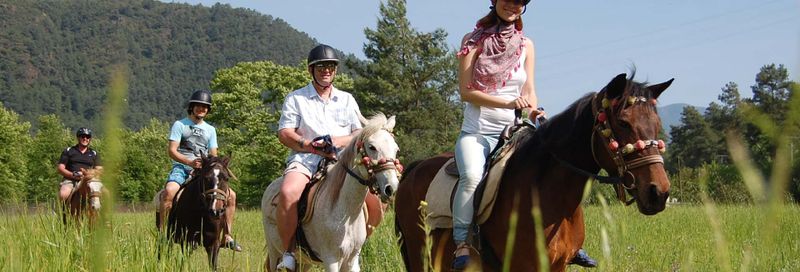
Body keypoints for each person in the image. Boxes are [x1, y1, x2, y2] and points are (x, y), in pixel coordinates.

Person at [451, 0, 596, 269]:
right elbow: (466, 92)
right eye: (507, 0)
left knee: (552, 170)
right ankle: (462, 241)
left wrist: (534, 112)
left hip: (514, 130)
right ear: (494, 2)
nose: (513, 6)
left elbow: (528, 90)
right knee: (471, 177)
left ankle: (569, 242)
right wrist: (507, 103)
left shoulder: (526, 45)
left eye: (519, 2)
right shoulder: (471, 40)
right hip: (478, 132)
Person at [274, 44, 384, 271]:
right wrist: (309, 145)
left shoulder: (347, 99)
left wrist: (335, 141)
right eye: (321, 66)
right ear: (311, 70)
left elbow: (359, 133)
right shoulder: (296, 98)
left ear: (335, 70)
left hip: (343, 161)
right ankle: (288, 254)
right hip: (306, 158)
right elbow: (285, 133)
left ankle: (355, 245)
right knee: (288, 193)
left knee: (376, 203)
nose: (326, 70)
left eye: (331, 67)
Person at [157, 90, 242, 252]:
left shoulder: (211, 130)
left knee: (231, 196)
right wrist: (189, 161)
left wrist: (209, 165)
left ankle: (227, 235)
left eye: (205, 107)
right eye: (198, 106)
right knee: (170, 191)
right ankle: (163, 233)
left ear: (208, 110)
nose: (201, 109)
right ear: (192, 107)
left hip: (204, 170)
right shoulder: (180, 125)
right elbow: (172, 151)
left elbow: (213, 154)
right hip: (182, 168)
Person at [57, 127, 101, 204]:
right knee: (63, 194)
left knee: (107, 194)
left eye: (87, 137)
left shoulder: (94, 153)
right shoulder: (69, 151)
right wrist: (73, 174)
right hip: (71, 180)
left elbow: (100, 169)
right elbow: (60, 168)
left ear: (90, 139)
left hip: (89, 180)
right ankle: (58, 212)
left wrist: (88, 174)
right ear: (78, 138)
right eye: (82, 136)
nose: (85, 139)